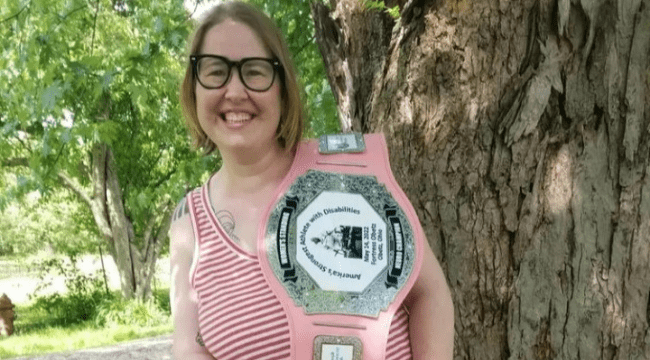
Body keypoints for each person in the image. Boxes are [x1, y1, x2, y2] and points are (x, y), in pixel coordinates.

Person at [169, 2, 454, 359]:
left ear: (282, 87)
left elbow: (428, 293)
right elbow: (190, 351)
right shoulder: (188, 223)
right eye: (214, 71)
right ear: (193, 88)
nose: (236, 90)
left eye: (255, 71)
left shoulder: (347, 176)